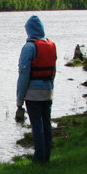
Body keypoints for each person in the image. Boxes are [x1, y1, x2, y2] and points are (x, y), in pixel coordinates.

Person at [16, 15, 57, 163]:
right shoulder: (51, 45)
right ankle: (46, 157)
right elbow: (54, 71)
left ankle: (39, 159)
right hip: (48, 92)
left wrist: (19, 100)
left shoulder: (29, 48)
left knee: (37, 127)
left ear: (29, 30)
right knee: (47, 124)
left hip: (33, 95)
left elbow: (23, 75)